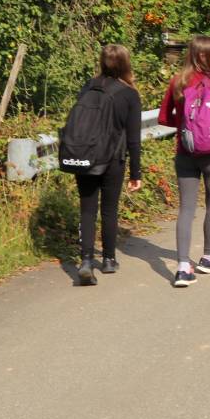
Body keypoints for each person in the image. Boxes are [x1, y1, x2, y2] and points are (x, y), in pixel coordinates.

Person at [157, 35, 210, 288]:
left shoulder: (177, 81)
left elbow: (163, 118)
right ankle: (209, 256)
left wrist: (184, 126)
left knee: (186, 209)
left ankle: (183, 267)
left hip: (185, 152)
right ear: (203, 55)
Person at [69, 44, 144, 285]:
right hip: (113, 158)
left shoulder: (88, 86)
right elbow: (133, 138)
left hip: (86, 155)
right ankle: (109, 259)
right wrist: (136, 172)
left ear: (102, 62)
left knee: (87, 209)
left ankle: (87, 261)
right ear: (125, 64)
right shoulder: (129, 94)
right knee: (109, 209)